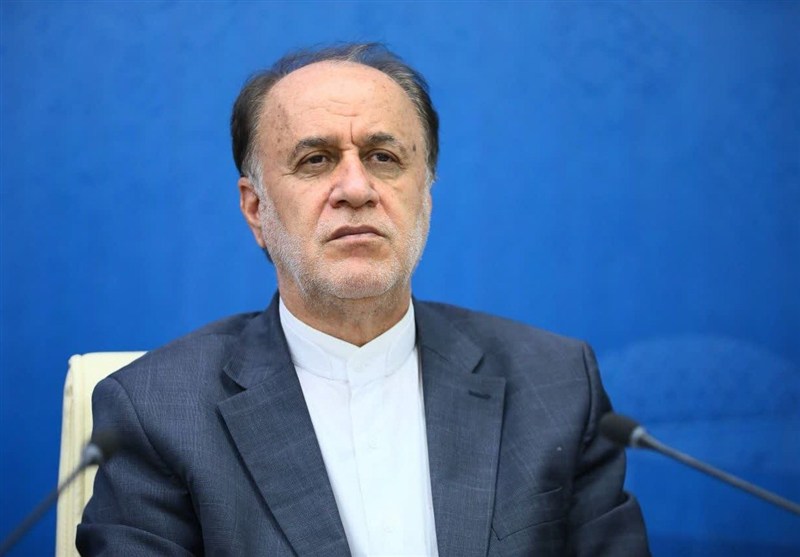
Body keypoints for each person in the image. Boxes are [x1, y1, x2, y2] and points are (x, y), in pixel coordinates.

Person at [77, 43, 649, 556]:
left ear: (425, 195)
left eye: (383, 157)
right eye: (315, 160)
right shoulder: (156, 413)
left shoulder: (556, 385)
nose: (356, 189)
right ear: (256, 209)